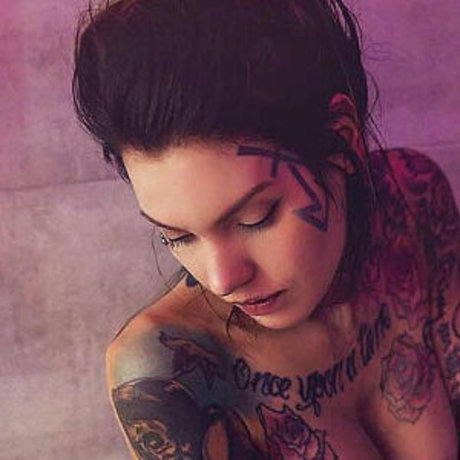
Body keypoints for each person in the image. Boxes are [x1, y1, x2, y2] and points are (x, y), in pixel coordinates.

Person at [73, 0, 459, 458]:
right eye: (178, 236)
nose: (222, 280)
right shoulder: (165, 371)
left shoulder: (411, 202)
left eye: (255, 218)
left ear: (342, 138)